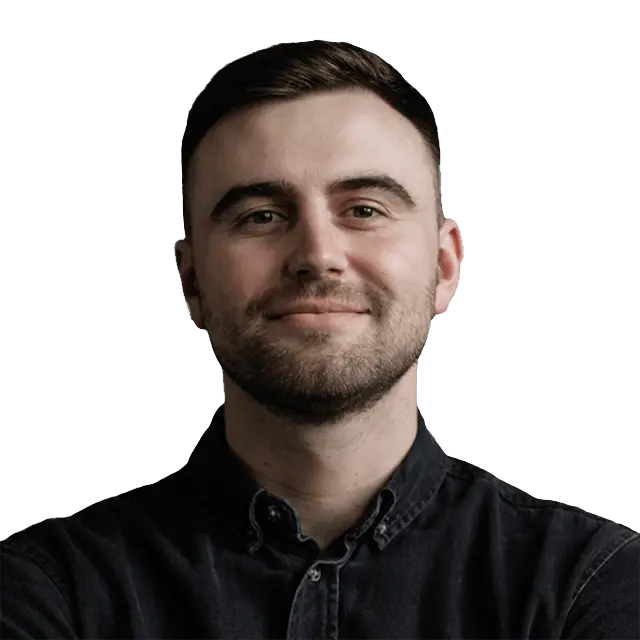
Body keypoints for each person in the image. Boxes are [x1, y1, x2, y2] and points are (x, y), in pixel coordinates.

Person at [2, 41, 637, 639]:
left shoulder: (590, 583)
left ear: (445, 266)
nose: (316, 255)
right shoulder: (50, 591)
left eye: (364, 209)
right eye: (261, 216)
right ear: (191, 281)